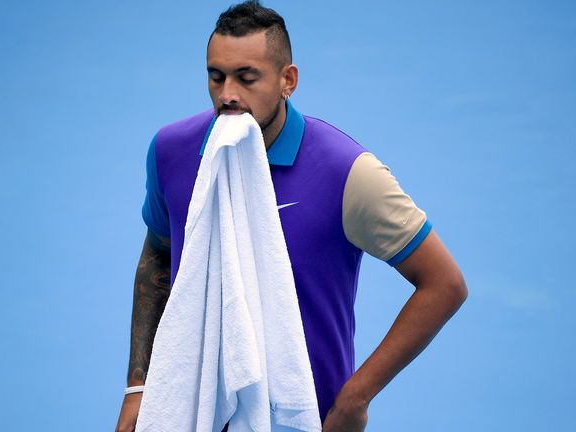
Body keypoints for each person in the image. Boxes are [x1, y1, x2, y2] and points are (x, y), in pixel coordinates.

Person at [115, 1, 468, 431]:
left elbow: (444, 284)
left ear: (288, 80)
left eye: (247, 78)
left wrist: (355, 399)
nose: (228, 94)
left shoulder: (346, 170)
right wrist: (138, 389)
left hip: (308, 419)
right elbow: (158, 257)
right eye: (216, 76)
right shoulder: (171, 151)